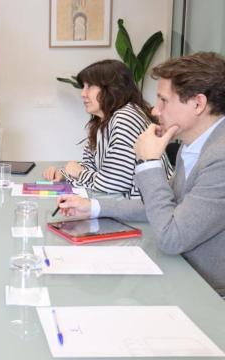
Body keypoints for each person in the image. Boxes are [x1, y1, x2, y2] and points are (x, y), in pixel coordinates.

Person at [56, 52, 225, 296]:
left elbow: (171, 237)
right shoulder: (193, 145)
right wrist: (92, 207)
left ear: (198, 104)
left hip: (205, 291)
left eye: (163, 101)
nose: (155, 111)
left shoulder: (219, 157)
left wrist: (149, 162)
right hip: (179, 272)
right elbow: (167, 205)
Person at [43, 59, 173, 198]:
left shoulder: (125, 118)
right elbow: (92, 167)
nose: (83, 94)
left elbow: (114, 182)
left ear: (112, 88)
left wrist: (78, 173)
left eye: (90, 86)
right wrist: (65, 174)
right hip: (124, 207)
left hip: (143, 214)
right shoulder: (102, 121)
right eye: (84, 87)